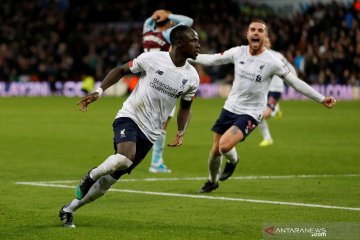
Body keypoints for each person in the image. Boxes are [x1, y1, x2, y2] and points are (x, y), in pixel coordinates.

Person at [59, 25, 200, 227]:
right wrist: (99, 91)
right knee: (124, 159)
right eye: (194, 40)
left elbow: (185, 107)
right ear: (179, 42)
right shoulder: (152, 59)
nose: (198, 45)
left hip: (151, 133)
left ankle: (68, 209)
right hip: (130, 116)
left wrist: (180, 131)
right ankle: (91, 175)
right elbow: (121, 70)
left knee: (109, 181)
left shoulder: (192, 77)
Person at [189, 19, 336, 193]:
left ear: (265, 36)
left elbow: (295, 83)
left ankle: (233, 161)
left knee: (224, 146)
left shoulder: (272, 61)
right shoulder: (238, 52)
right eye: (253, 29)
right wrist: (187, 54)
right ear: (248, 34)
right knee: (215, 150)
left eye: (260, 30)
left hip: (251, 113)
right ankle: (212, 181)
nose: (256, 33)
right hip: (230, 107)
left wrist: (321, 98)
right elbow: (212, 60)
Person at [143, 9, 194, 173]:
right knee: (162, 126)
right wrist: (169, 15)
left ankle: (154, 160)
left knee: (151, 123)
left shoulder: (147, 32)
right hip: (165, 82)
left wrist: (154, 16)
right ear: (169, 23)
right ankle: (156, 162)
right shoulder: (166, 35)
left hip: (147, 80)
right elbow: (189, 21)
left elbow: (147, 22)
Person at [258, 36, 298, 147]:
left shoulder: (277, 56)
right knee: (256, 114)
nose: (265, 43)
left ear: (270, 44)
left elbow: (289, 66)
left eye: (267, 42)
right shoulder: (257, 56)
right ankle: (268, 137)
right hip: (262, 90)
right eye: (263, 42)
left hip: (275, 89)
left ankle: (275, 111)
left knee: (263, 115)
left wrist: (295, 79)